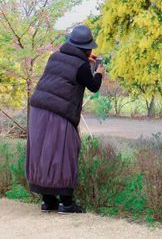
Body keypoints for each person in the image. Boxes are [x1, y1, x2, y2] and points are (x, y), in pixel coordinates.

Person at [25, 24, 104, 214]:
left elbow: (67, 70)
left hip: (37, 110)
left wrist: (85, 60)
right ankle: (67, 204)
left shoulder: (55, 56)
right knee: (65, 152)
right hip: (59, 113)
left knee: (42, 152)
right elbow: (93, 86)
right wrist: (99, 73)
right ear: (87, 48)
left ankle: (48, 201)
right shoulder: (81, 66)